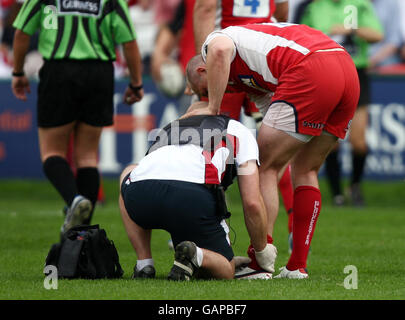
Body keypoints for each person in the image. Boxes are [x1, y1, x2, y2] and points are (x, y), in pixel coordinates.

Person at [186, 22, 360, 278]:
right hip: (345, 68)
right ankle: (297, 266)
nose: (213, 93)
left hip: (310, 67)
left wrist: (212, 108)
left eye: (204, 89)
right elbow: (275, 111)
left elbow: (220, 50)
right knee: (305, 168)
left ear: (204, 68)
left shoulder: (214, 43)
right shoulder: (252, 80)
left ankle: (259, 261)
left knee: (265, 166)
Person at [11, 0, 144, 233]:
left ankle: (74, 200)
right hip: (99, 73)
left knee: (52, 152)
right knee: (87, 157)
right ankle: (82, 233)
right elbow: (129, 42)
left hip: (59, 71)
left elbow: (22, 32)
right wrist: (136, 82)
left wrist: (19, 71)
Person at [119, 101, 276, 280]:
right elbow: (252, 202)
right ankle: (197, 255)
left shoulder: (170, 128)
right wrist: (262, 251)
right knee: (226, 269)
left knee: (129, 172)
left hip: (140, 193)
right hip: (191, 196)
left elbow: (150, 172)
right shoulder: (238, 130)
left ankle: (144, 264)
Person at [193, 0, 295, 255]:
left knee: (210, 148)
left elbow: (205, 9)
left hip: (226, 58)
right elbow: (283, 12)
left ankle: (206, 225)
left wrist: (202, 67)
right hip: (266, 56)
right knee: (280, 147)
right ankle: (292, 225)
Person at [298, 0, 383, 207]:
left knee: (359, 141)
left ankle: (354, 186)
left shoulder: (360, 4)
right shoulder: (314, 7)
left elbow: (378, 35)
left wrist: (351, 30)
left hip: (357, 72)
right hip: (326, 72)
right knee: (329, 141)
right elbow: (301, 39)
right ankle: (336, 194)